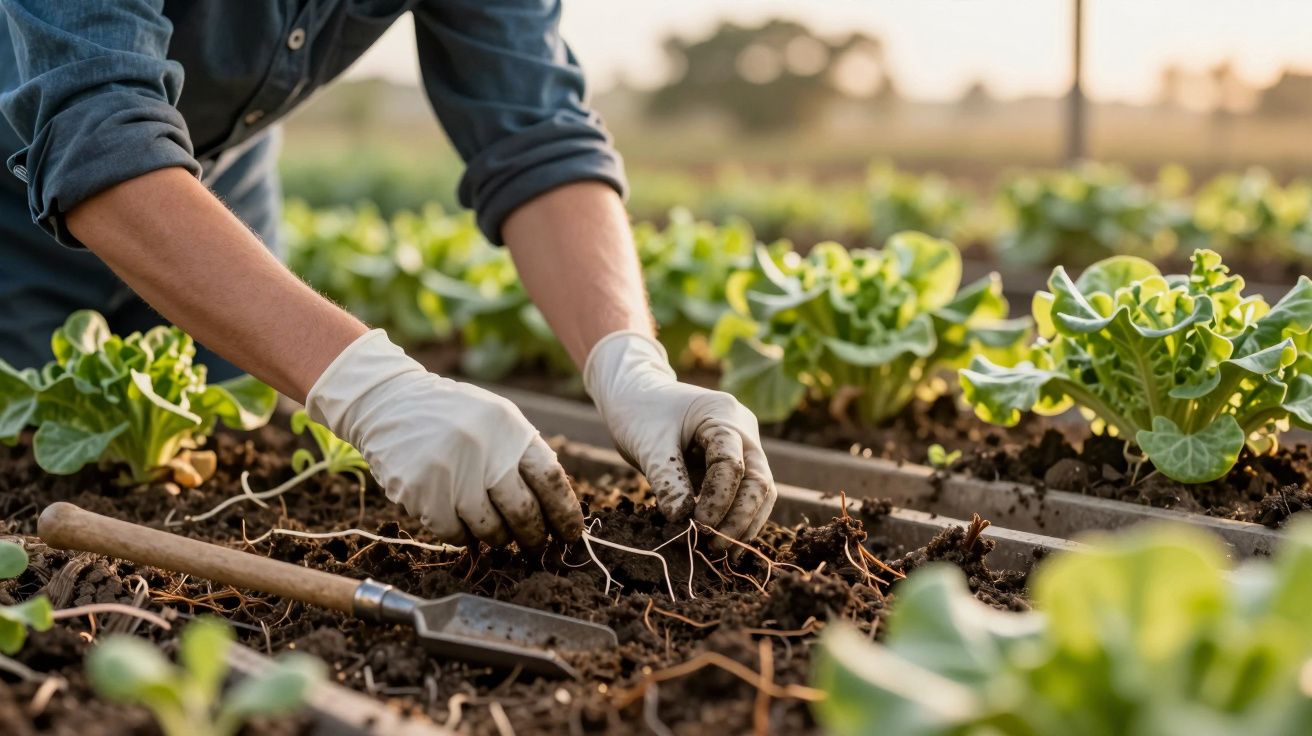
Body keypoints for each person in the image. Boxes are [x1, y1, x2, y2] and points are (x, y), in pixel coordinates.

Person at [0, 2, 776, 551]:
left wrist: (629, 365)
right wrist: (372, 387)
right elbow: (96, 126)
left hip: (209, 196)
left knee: (218, 457)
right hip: (17, 203)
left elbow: (538, 133)